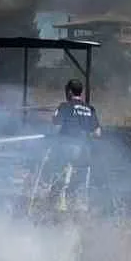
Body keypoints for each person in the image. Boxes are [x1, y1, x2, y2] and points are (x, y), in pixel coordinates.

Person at [50, 79, 102, 210]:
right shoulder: (90, 109)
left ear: (69, 92)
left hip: (68, 147)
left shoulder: (64, 106)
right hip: (85, 151)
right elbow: (97, 133)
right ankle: (80, 204)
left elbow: (55, 125)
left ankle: (59, 203)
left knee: (57, 168)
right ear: (81, 92)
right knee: (80, 175)